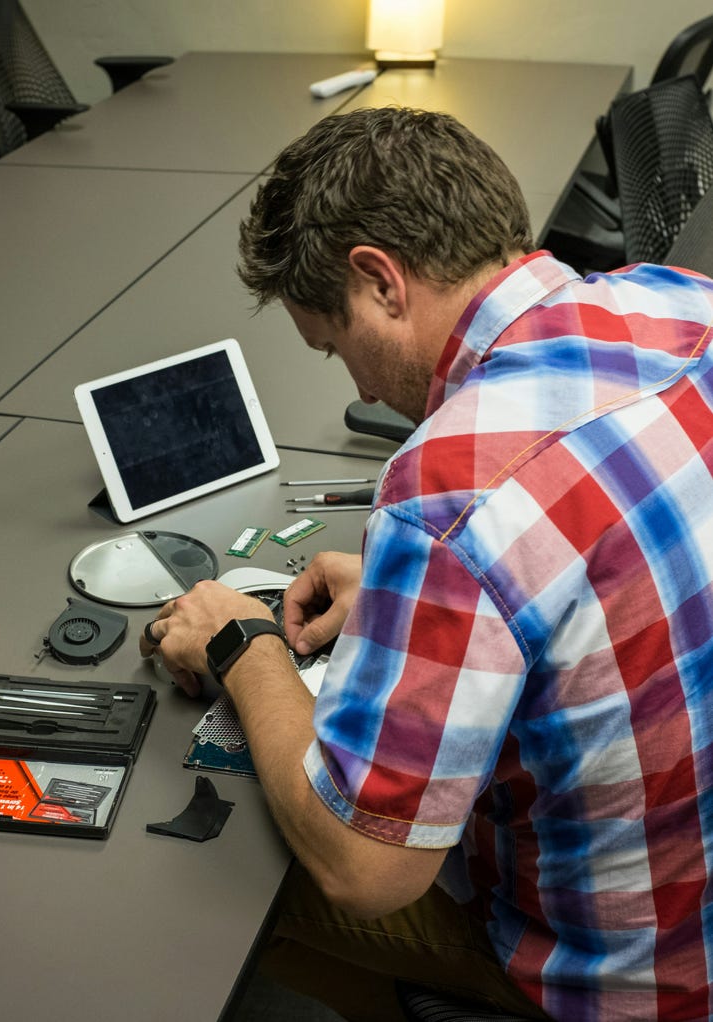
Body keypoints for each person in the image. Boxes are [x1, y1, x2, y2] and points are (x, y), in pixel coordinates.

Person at [139, 106, 713, 1022]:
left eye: (335, 346)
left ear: (380, 280)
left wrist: (244, 648)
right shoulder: (681, 301)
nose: (362, 388)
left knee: (236, 881)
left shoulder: (448, 490)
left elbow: (366, 871)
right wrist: (419, 596)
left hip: (635, 980)